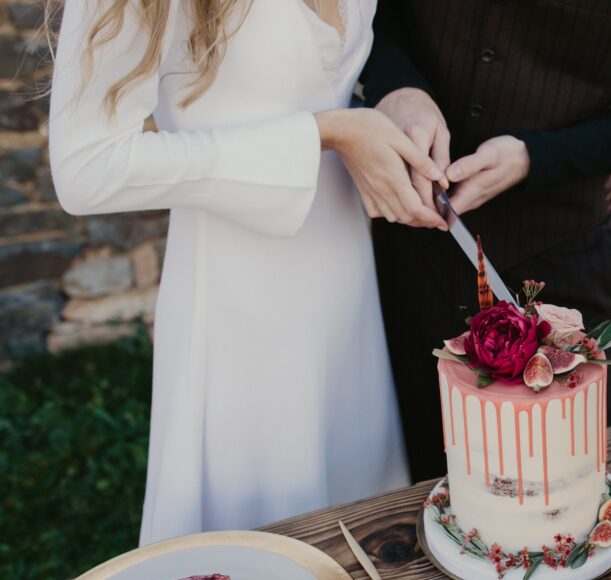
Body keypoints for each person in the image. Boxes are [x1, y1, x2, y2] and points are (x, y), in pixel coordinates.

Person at [48, 0, 444, 544]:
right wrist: (322, 134)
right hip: (239, 315)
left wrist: (394, 102)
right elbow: (85, 170)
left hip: (346, 290)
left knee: (365, 542)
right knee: (258, 564)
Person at [362, 0, 611, 482]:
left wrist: (541, 158)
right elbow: (364, 16)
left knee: (548, 503)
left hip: (560, 262)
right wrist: (397, 85)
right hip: (397, 246)